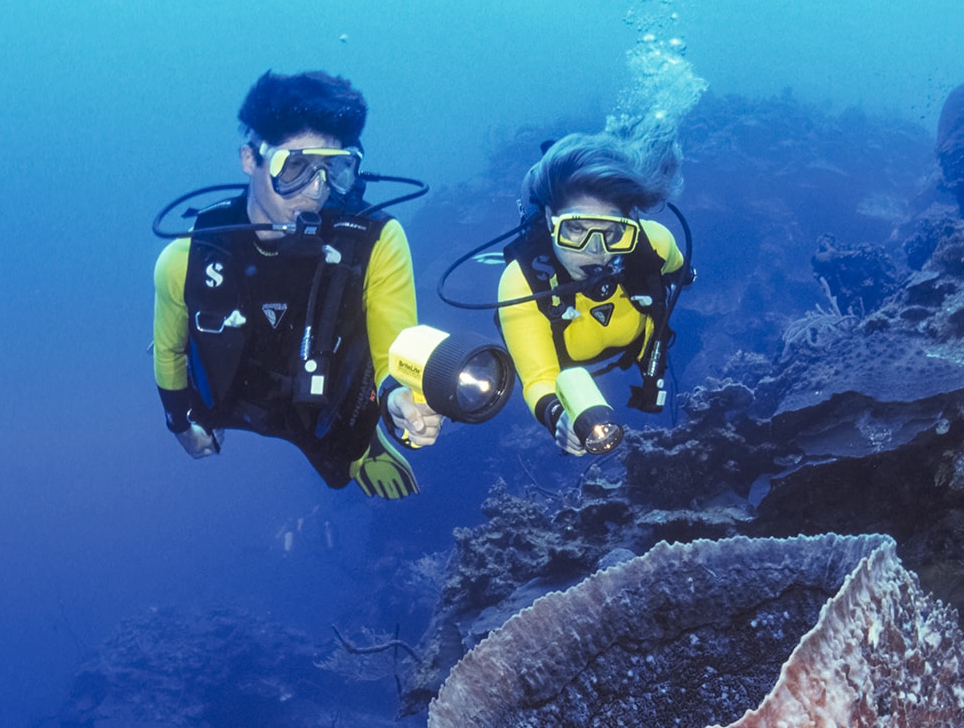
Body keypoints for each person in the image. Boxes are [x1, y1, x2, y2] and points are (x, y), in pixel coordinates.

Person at [152, 70, 441, 495]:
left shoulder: (375, 240)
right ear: (250, 159)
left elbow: (395, 345)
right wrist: (180, 425)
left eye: (334, 169)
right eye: (297, 167)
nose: (315, 191)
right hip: (233, 397)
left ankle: (363, 447)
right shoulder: (185, 259)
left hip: (324, 401)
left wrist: (401, 396)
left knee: (342, 456)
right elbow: (168, 349)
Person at [497, 131, 690, 455]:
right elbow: (538, 378)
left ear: (630, 222)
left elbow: (679, 271)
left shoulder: (656, 245)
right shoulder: (521, 284)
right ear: (549, 218)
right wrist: (557, 415)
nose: (596, 252)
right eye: (576, 229)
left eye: (612, 231)